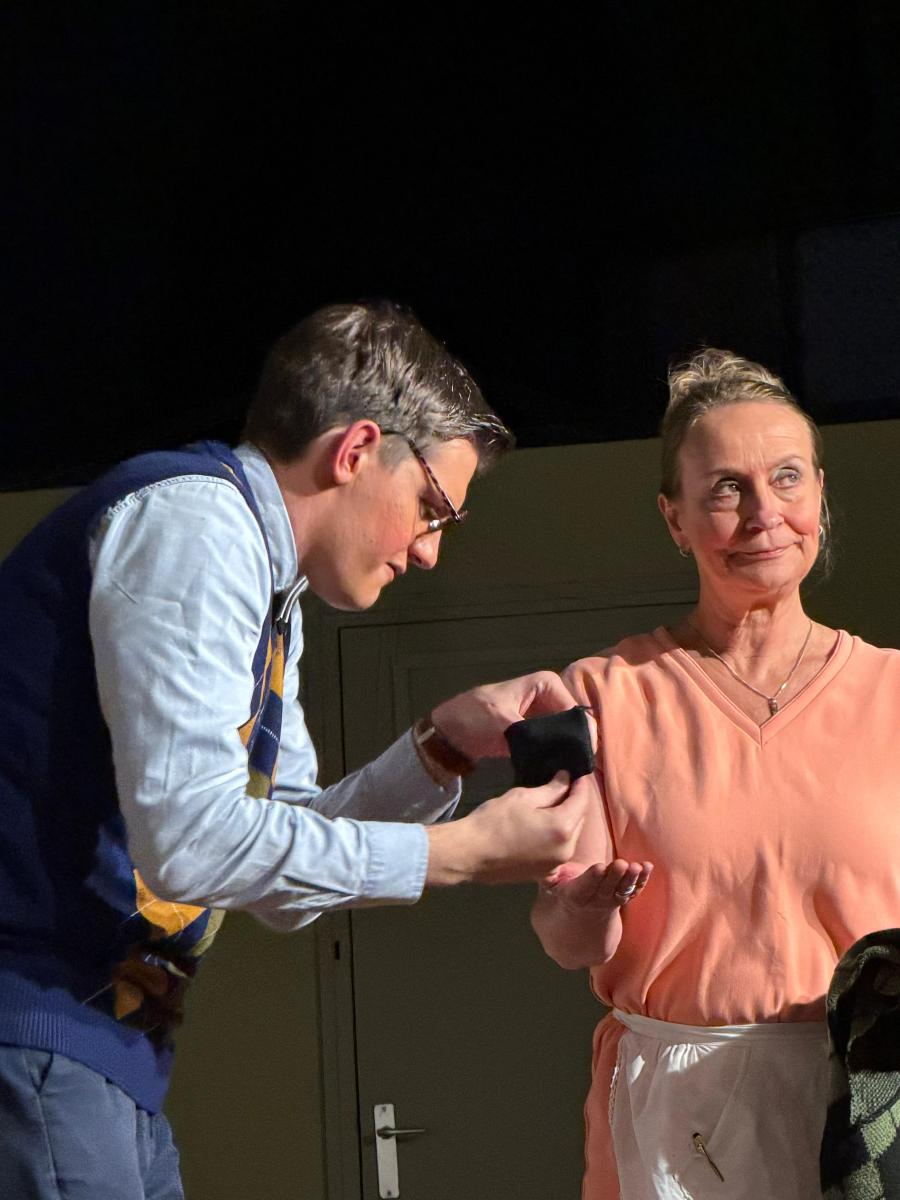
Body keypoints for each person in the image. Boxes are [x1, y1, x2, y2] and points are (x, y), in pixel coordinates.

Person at [0, 300, 589, 1199]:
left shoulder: (273, 591)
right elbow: (195, 844)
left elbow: (281, 875)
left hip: (101, 1050)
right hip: (35, 1025)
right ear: (356, 451)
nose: (429, 553)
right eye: (433, 509)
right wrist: (458, 854)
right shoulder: (196, 527)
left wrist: (440, 748)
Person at [531, 347, 900, 1199]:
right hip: (678, 1116)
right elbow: (565, 939)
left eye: (787, 478)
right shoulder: (598, 696)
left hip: (869, 1102)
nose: (765, 514)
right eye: (727, 489)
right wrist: (577, 907)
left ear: (820, 495)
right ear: (675, 518)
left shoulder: (891, 692)